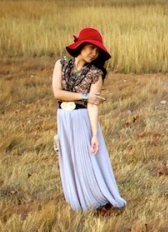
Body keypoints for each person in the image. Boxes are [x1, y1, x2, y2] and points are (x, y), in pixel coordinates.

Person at [51, 27, 126, 213]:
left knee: (86, 158)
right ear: (81, 45)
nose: (93, 53)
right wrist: (84, 96)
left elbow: (93, 105)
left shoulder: (96, 74)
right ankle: (76, 198)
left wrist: (94, 134)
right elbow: (57, 93)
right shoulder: (61, 64)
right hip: (64, 118)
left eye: (97, 50)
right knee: (69, 158)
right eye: (91, 47)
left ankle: (94, 197)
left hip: (81, 118)